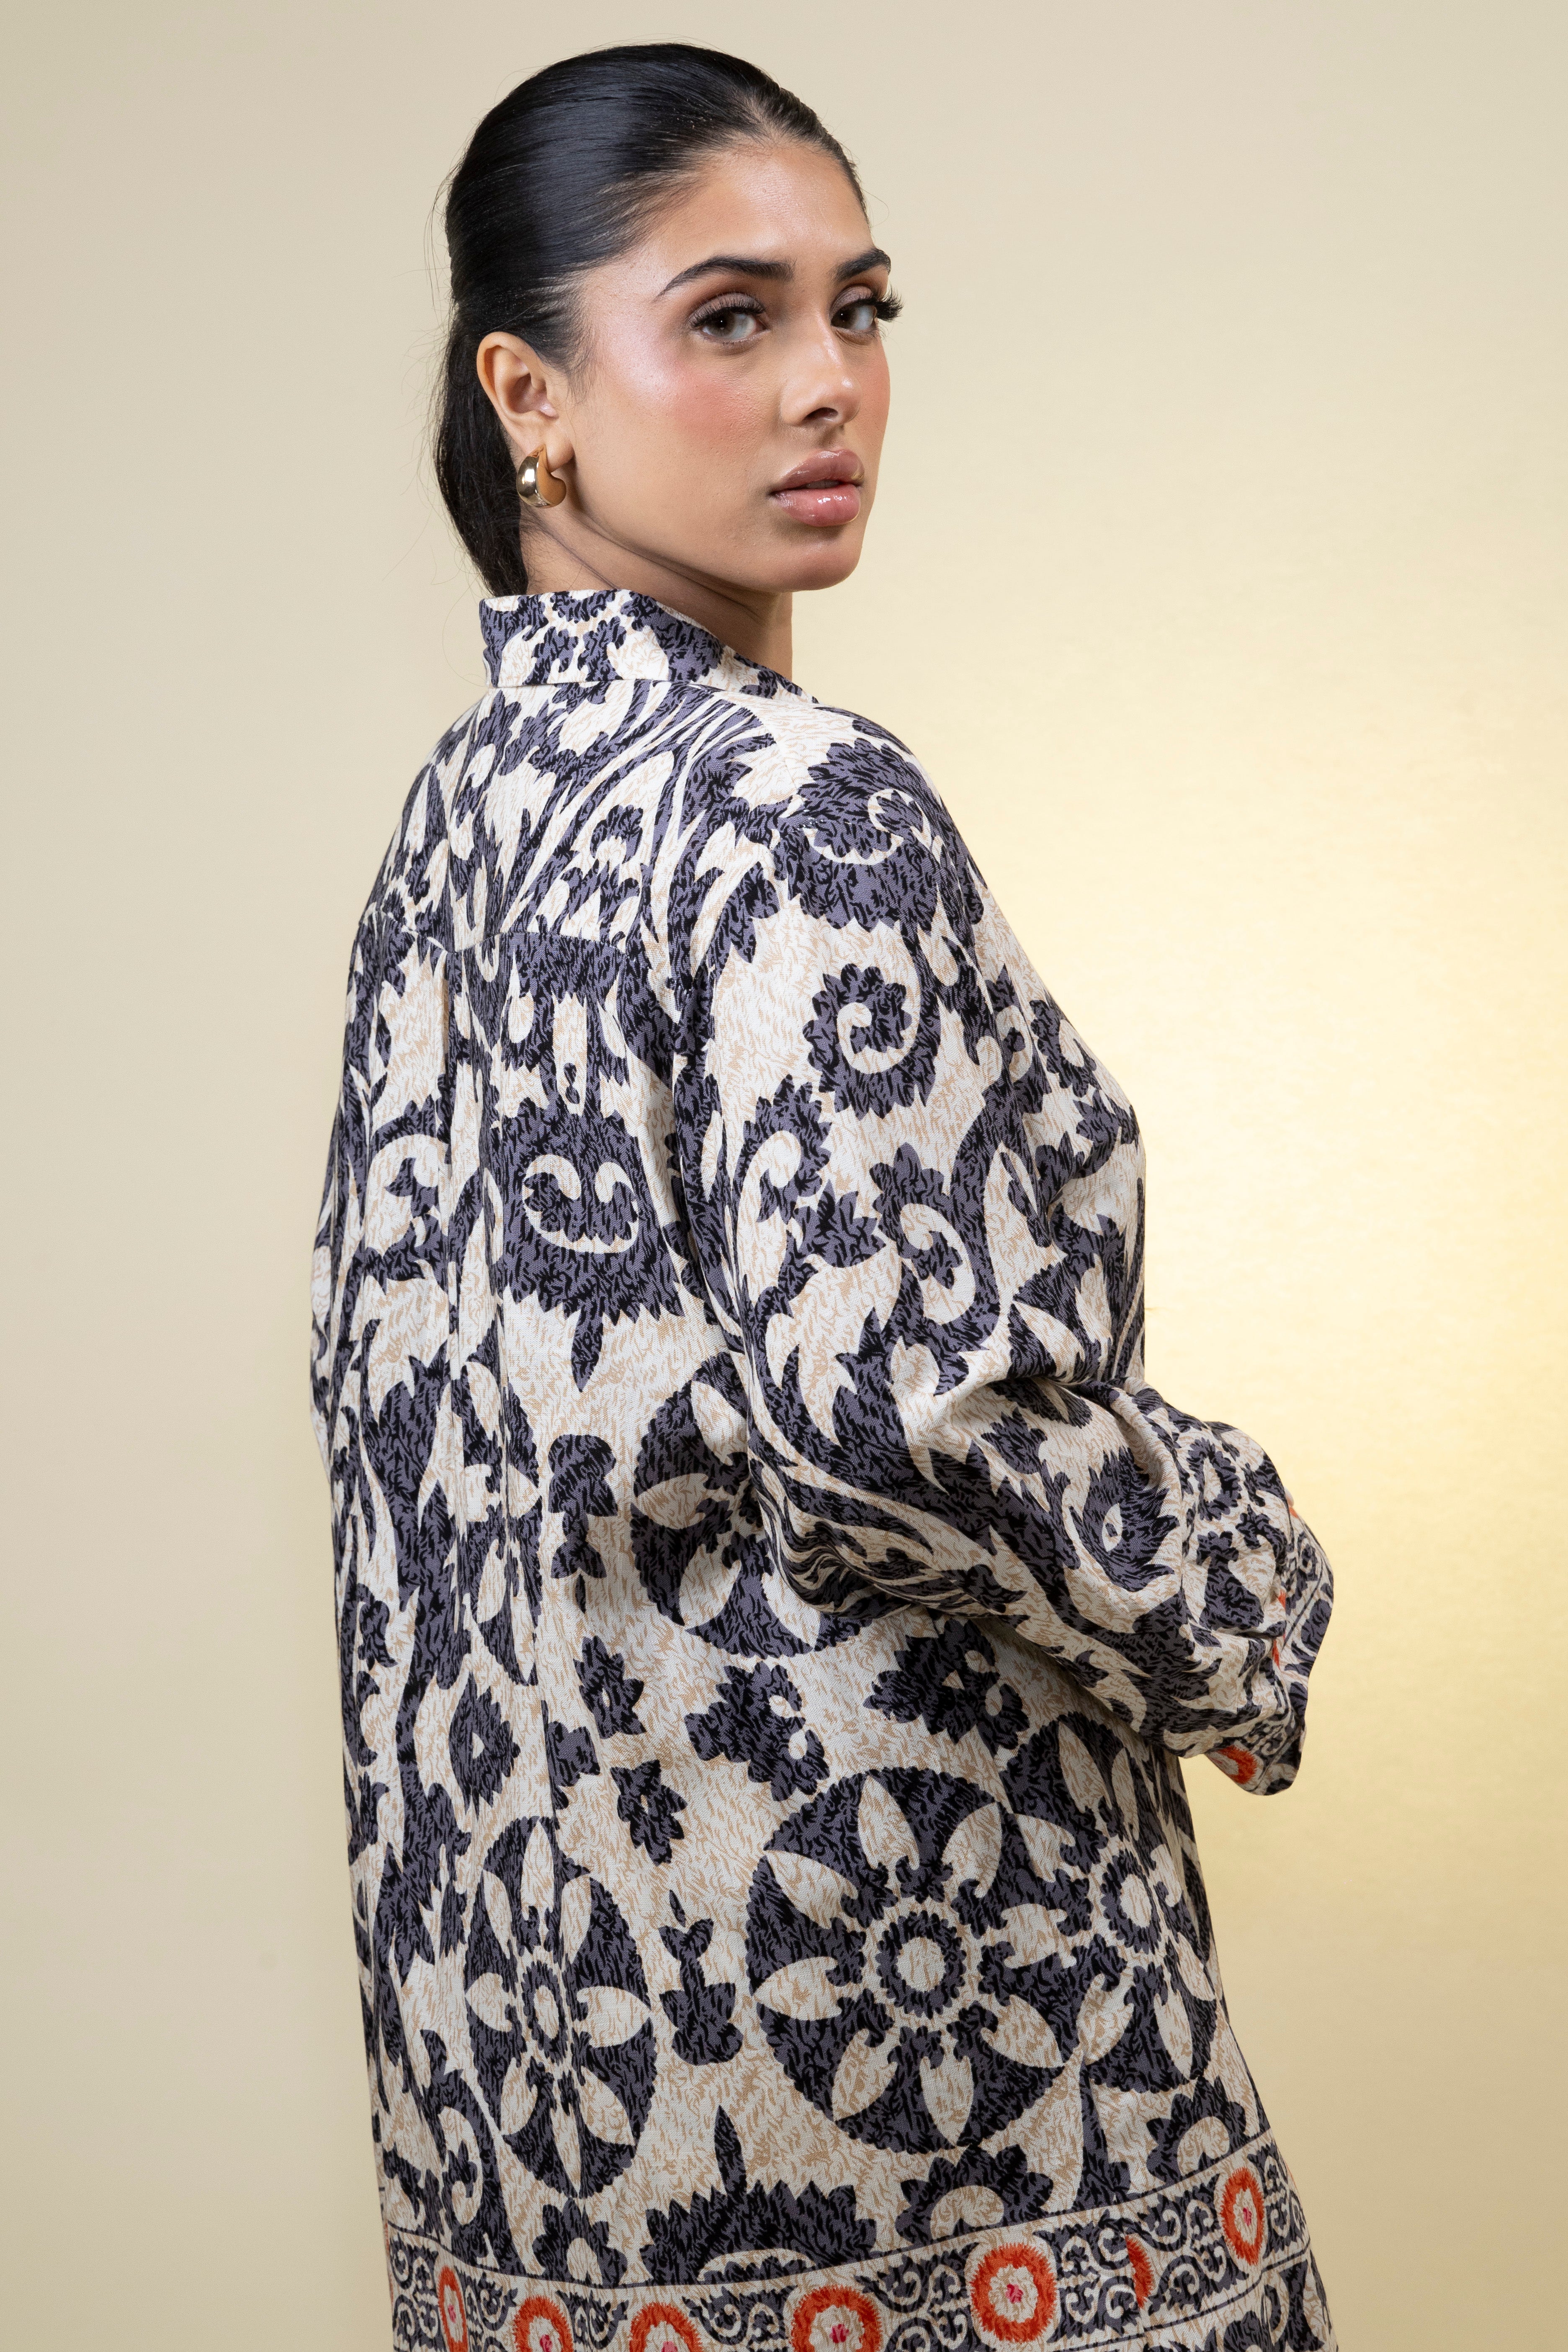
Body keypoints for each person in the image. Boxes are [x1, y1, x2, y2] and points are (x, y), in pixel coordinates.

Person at [311, 43, 1336, 2352]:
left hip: (541, 2099)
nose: (826, 384)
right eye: (731, 316)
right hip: (909, 2053)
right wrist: (1251, 1587)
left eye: (859, 309)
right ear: (527, 394)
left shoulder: (448, 834)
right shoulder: (799, 800)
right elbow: (914, 1409)